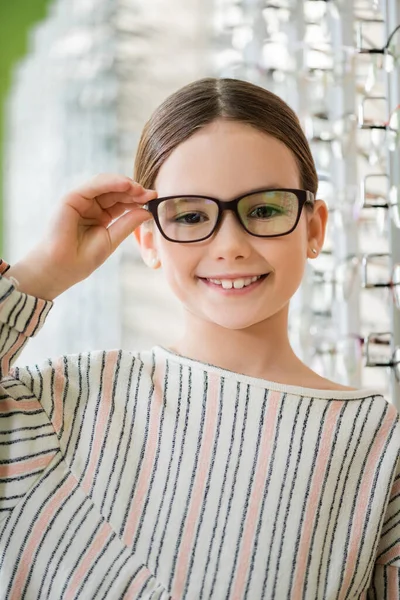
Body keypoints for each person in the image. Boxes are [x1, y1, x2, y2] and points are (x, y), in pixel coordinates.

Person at [0, 77, 398, 600]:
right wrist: (41, 274)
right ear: (148, 240)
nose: (230, 245)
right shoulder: (60, 406)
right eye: (190, 216)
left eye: (265, 209)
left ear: (314, 229)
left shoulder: (378, 442)